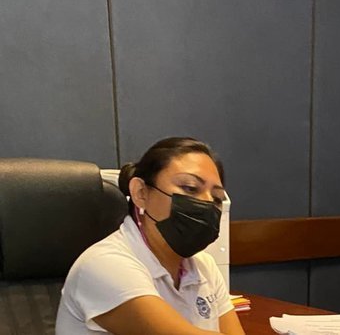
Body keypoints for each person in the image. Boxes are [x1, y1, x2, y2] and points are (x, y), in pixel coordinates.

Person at [56, 137, 244, 335]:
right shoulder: (102, 264)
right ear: (141, 193)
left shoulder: (204, 266)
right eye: (190, 188)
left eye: (217, 198)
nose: (207, 203)